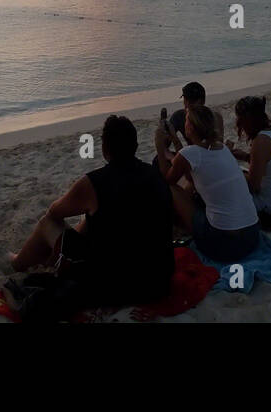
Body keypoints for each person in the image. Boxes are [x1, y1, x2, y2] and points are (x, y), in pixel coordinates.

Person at [11, 115, 174, 307]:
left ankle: (17, 263)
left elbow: (55, 211)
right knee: (95, 218)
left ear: (105, 150)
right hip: (158, 281)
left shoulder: (94, 183)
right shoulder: (155, 174)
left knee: (48, 222)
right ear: (136, 146)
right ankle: (50, 257)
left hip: (116, 286)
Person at [155, 105, 260, 262]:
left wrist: (159, 147)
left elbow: (166, 180)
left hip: (224, 244)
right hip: (252, 237)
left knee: (171, 189)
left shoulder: (190, 154)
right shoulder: (223, 149)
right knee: (192, 186)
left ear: (189, 127)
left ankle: (175, 227)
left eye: (186, 120)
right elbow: (191, 175)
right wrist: (175, 143)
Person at [226, 96, 271, 225]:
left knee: (225, 186)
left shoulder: (261, 141)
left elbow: (253, 187)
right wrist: (246, 157)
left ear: (246, 120)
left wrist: (230, 169)